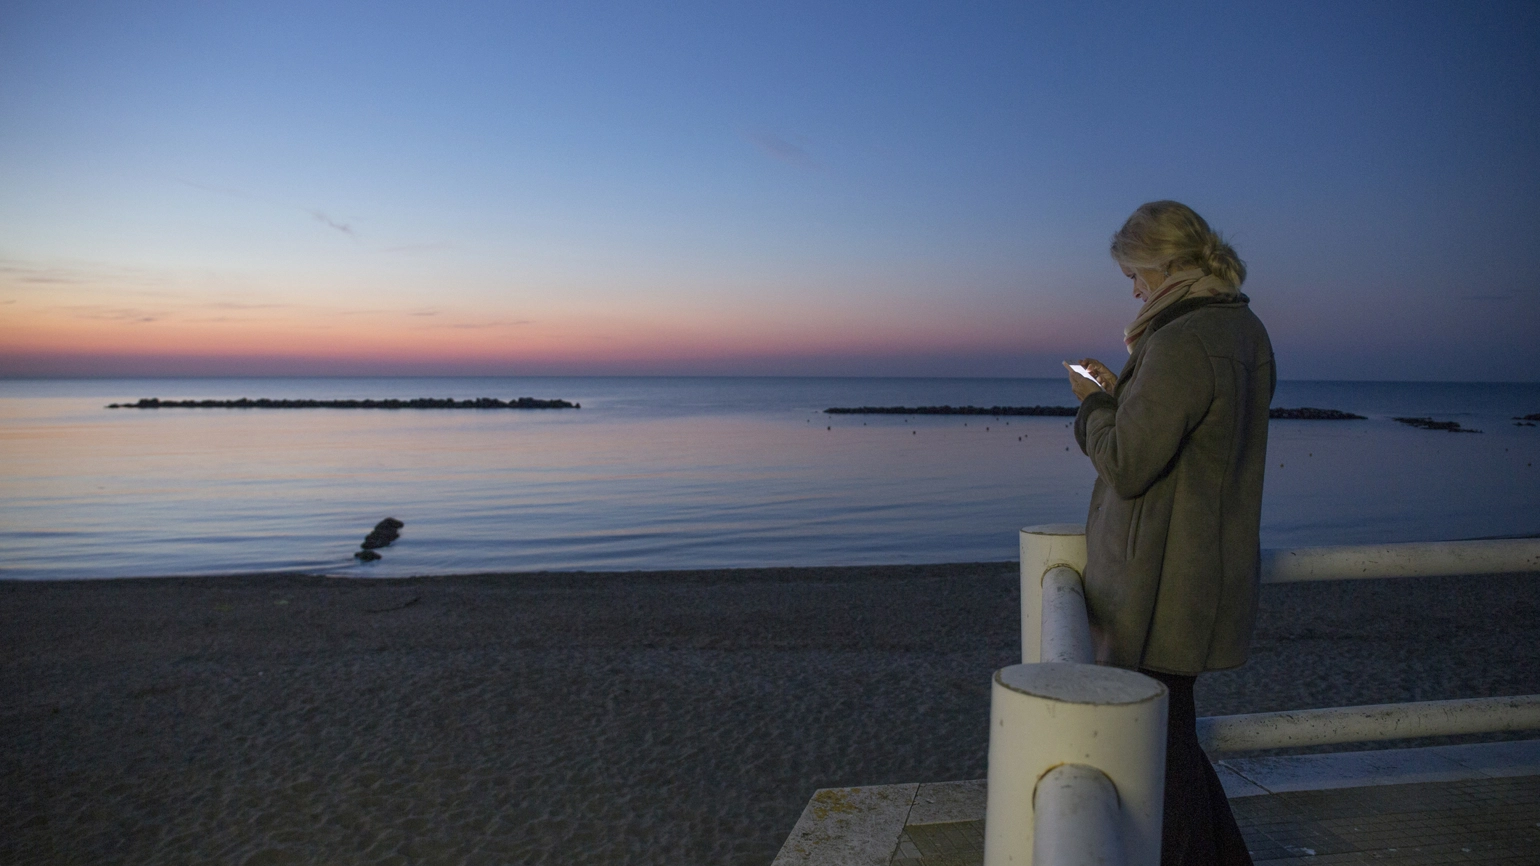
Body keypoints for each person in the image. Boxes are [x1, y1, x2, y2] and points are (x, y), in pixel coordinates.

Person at [1064, 200, 1273, 866]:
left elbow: (1128, 463)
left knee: (1163, 754)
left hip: (1163, 584)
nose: (1131, 287)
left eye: (1134, 271)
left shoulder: (1183, 340)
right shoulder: (1244, 331)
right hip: (1206, 570)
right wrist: (1121, 390)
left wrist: (1093, 404)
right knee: (1172, 739)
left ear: (1162, 262)